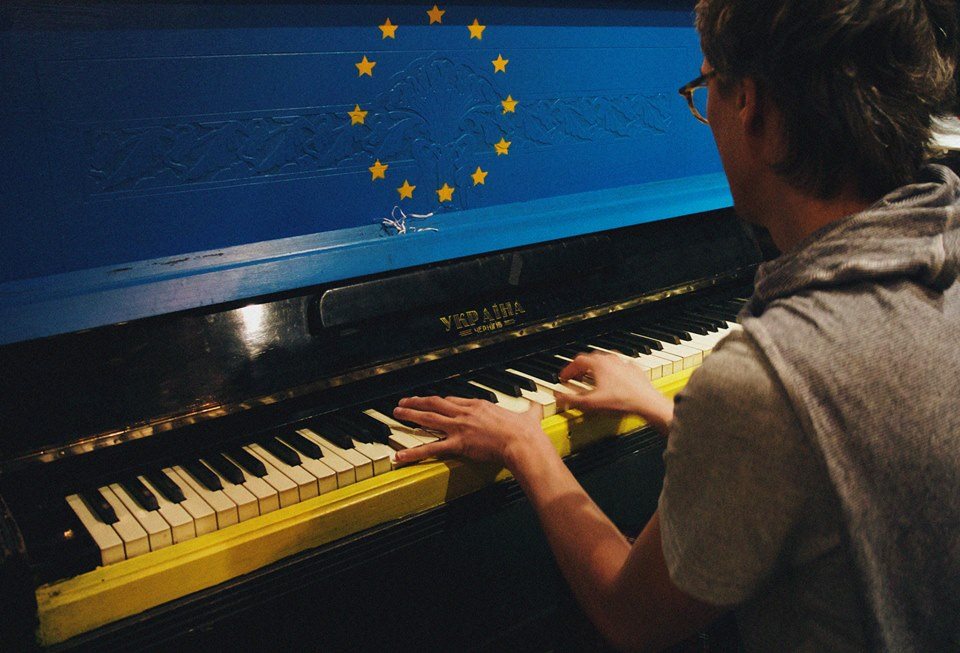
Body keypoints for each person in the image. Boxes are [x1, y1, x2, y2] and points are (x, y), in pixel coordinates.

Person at [393, 1, 960, 650]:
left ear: (752, 107)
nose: (705, 113)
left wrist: (526, 446)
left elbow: (630, 612)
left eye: (706, 85)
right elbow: (835, 453)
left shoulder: (771, 374)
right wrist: (667, 410)